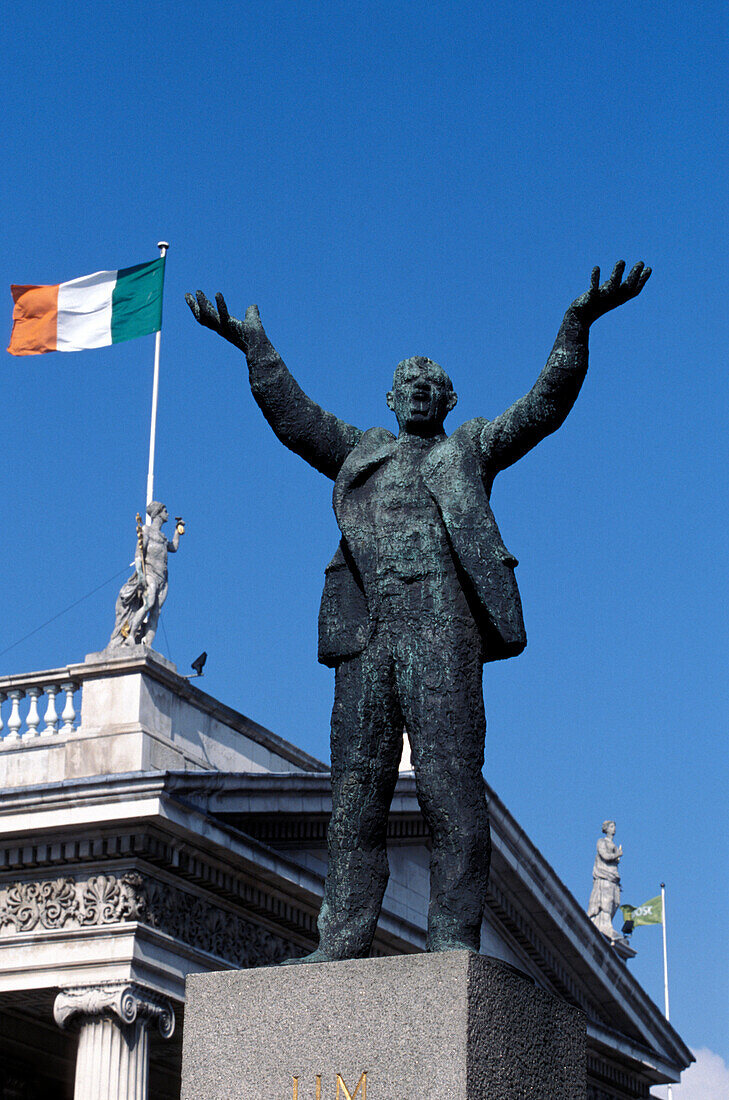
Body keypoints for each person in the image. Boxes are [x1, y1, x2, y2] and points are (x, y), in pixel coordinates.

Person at [186, 260, 650, 961]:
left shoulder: (469, 451)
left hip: (443, 634)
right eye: (408, 385)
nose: (419, 393)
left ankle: (452, 939)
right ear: (389, 398)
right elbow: (294, 417)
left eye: (432, 387)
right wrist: (256, 348)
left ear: (449, 401)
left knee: (447, 788)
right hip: (365, 635)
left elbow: (542, 407)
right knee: (355, 796)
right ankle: (340, 939)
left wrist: (574, 326)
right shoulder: (361, 452)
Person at [108, 502, 183, 649]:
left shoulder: (162, 537)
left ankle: (147, 645)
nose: (167, 514)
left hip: (163, 577)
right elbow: (139, 554)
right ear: (158, 513)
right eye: (165, 511)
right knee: (148, 603)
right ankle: (131, 635)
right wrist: (141, 575)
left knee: (156, 612)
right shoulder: (147, 530)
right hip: (149, 572)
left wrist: (177, 531)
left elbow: (173, 547)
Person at [587, 820, 624, 941]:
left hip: (613, 877)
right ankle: (604, 924)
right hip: (604, 876)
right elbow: (605, 856)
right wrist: (617, 854)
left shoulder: (612, 844)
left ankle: (607, 923)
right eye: (612, 826)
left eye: (615, 826)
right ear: (606, 829)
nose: (614, 829)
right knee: (607, 900)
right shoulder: (601, 841)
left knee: (616, 902)